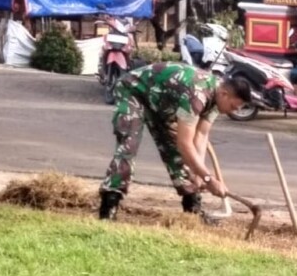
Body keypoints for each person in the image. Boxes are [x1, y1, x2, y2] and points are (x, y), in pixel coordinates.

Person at [98, 62, 251, 220]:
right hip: (134, 91)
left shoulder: (216, 101)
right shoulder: (197, 94)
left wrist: (199, 174)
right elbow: (185, 144)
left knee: (179, 155)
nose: (233, 112)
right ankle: (109, 205)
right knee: (129, 145)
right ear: (225, 94)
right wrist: (209, 179)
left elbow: (200, 136)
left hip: (162, 104)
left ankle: (192, 209)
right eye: (233, 107)